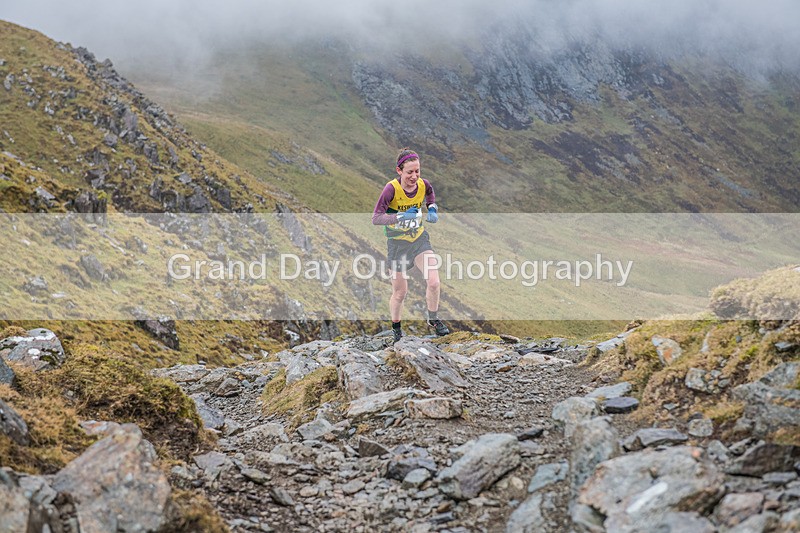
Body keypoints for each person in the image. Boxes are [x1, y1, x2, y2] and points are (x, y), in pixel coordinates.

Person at [372, 148, 450, 343]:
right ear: (399, 171)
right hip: (397, 245)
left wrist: (432, 208)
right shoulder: (391, 189)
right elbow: (376, 218)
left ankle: (433, 320)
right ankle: (396, 329)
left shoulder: (424, 184)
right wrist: (399, 216)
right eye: (409, 172)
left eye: (417, 171)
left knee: (434, 282)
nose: (414, 176)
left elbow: (429, 193)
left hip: (418, 240)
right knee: (400, 292)